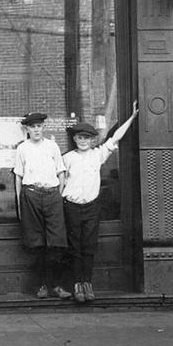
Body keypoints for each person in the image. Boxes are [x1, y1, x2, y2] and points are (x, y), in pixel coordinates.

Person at [63, 101, 139, 303]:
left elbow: (115, 138)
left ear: (92, 140)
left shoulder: (98, 155)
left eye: (87, 138)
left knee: (89, 246)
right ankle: (77, 284)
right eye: (80, 137)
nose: (83, 141)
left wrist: (131, 118)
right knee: (75, 247)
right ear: (74, 139)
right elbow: (59, 181)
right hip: (71, 207)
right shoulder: (67, 158)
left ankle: (87, 283)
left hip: (91, 207)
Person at [13, 112, 71, 299]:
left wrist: (58, 194)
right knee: (36, 243)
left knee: (57, 242)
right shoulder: (22, 148)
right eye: (32, 127)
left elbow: (61, 172)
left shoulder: (52, 146)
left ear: (43, 127)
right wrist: (20, 200)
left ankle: (56, 285)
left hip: (52, 195)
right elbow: (18, 177)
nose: (36, 130)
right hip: (31, 195)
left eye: (39, 126)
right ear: (27, 129)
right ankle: (41, 286)